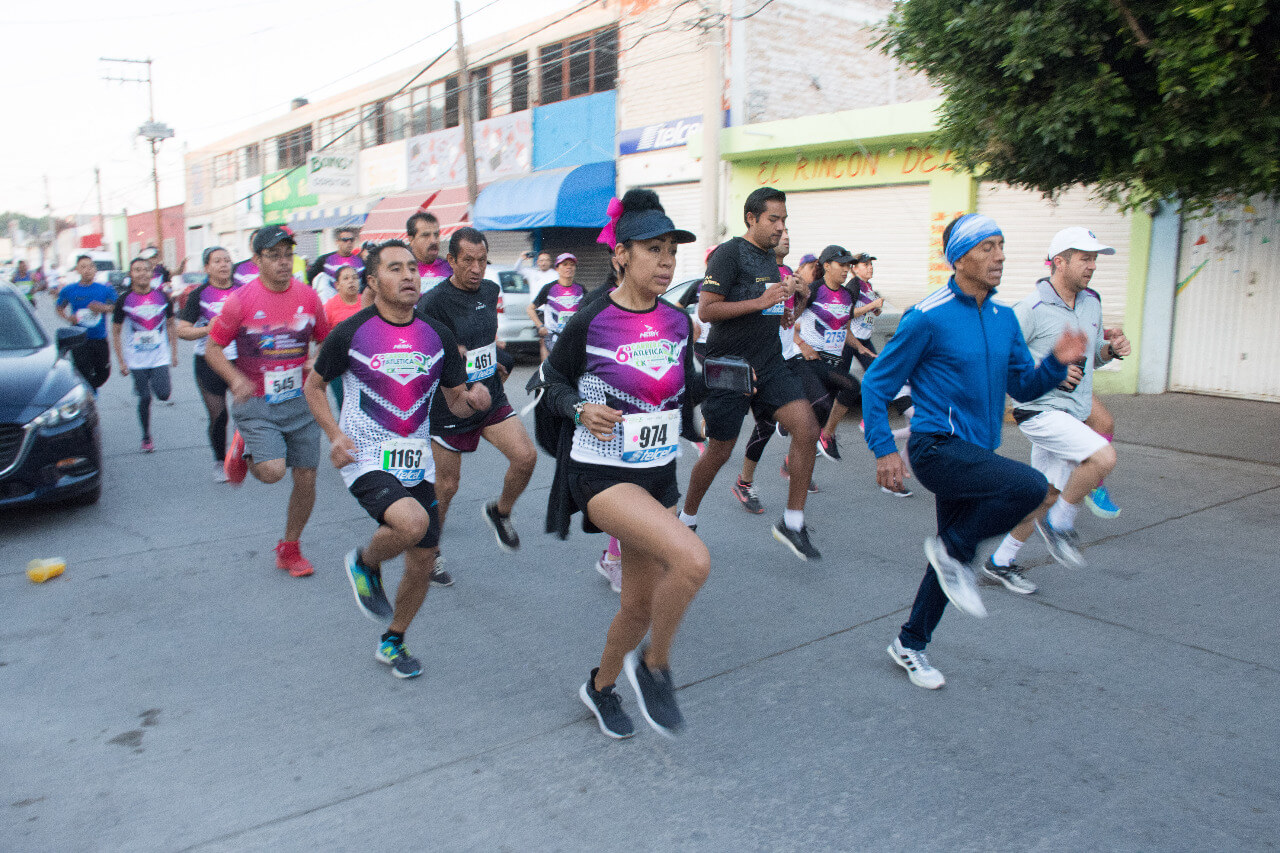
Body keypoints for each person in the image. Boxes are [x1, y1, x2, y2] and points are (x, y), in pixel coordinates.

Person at [862, 213, 1085, 689]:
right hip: (937, 448)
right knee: (1030, 487)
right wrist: (884, 449)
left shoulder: (1004, 318)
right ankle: (954, 553)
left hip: (975, 453)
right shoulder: (927, 316)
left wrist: (1055, 364)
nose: (1000, 256)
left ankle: (909, 643)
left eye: (1001, 246)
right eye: (987, 247)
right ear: (960, 257)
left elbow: (1023, 384)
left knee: (952, 562)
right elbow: (877, 384)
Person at [542, 189, 707, 738]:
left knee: (636, 606)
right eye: (653, 249)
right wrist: (579, 408)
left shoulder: (678, 322)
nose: (665, 262)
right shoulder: (591, 319)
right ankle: (654, 668)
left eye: (672, 252)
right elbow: (552, 382)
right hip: (600, 473)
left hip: (656, 472)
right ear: (621, 255)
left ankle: (600, 686)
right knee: (693, 560)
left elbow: (682, 387)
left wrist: (701, 415)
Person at [304, 240, 491, 679]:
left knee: (423, 560)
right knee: (412, 524)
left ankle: (394, 640)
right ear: (373, 281)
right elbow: (313, 386)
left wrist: (475, 400)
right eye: (395, 268)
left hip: (415, 460)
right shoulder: (351, 332)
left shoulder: (437, 335)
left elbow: (455, 403)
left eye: (412, 267)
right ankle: (365, 563)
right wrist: (334, 434)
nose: (408, 275)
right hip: (365, 455)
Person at [984, 227, 1130, 592]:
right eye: (1085, 258)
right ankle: (1061, 524)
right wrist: (1049, 372)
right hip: (1038, 410)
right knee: (1102, 458)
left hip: (1072, 413)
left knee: (1045, 493)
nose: (1092, 266)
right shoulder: (1029, 309)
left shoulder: (1092, 302)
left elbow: (1091, 356)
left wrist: (1110, 350)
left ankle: (1000, 561)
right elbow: (998, 360)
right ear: (1059, 262)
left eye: (1095, 258)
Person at [681, 188, 821, 559]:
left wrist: (793, 303)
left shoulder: (771, 261)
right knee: (719, 452)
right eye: (773, 219)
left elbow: (776, 316)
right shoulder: (729, 254)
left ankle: (792, 523)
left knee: (807, 428)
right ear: (751, 218)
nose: (780, 227)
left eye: (784, 220)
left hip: (770, 364)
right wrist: (761, 300)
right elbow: (707, 311)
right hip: (730, 367)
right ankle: (686, 519)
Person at [205, 226, 331, 578]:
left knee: (306, 478)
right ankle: (244, 448)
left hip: (301, 403)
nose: (283, 262)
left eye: (287, 254)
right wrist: (235, 379)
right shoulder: (240, 301)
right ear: (257, 259)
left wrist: (317, 360)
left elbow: (326, 340)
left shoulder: (309, 297)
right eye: (274, 255)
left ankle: (289, 548)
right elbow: (212, 348)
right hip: (258, 404)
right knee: (274, 472)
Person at [416, 227, 537, 566]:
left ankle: (500, 512)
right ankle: (430, 552)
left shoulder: (490, 288)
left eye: (482, 261)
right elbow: (425, 359)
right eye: (467, 261)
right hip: (450, 405)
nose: (475, 268)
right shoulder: (433, 303)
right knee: (447, 486)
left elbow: (487, 337)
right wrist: (456, 361)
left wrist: (497, 359)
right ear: (451, 260)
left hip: (491, 396)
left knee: (526, 457)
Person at [176, 247, 241, 480]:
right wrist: (207, 329)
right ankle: (219, 461)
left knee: (245, 411)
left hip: (239, 359)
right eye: (217, 261)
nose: (224, 265)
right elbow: (182, 331)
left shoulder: (242, 291)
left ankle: (242, 454)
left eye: (227, 260)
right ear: (207, 268)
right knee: (219, 415)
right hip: (208, 360)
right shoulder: (199, 295)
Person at [791, 246, 860, 462]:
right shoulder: (813, 290)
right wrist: (802, 344)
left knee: (813, 420)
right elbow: (787, 322)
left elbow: (844, 329)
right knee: (851, 387)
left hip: (835, 361)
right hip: (812, 360)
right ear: (827, 265)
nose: (846, 270)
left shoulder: (848, 295)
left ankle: (790, 463)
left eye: (849, 266)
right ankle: (826, 434)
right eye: (842, 265)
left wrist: (860, 347)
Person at [111, 257, 179, 452]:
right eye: (137, 270)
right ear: (131, 274)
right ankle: (146, 437)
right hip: (136, 359)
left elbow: (170, 325)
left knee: (164, 394)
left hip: (159, 356)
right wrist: (121, 362)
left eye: (145, 270)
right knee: (145, 398)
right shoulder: (124, 299)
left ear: (152, 273)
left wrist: (173, 353)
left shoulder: (162, 297)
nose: (142, 273)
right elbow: (116, 332)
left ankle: (145, 387)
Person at [55, 255, 116, 392]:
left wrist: (103, 308)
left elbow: (116, 307)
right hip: (79, 339)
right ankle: (89, 394)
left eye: (90, 266)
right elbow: (59, 307)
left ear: (95, 269)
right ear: (77, 270)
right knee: (84, 372)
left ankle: (90, 389)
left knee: (103, 372)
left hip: (99, 338)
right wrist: (68, 318)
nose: (87, 270)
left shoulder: (104, 289)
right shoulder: (69, 290)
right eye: (83, 267)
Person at [526, 252, 586, 361]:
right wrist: (540, 326)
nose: (569, 267)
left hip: (573, 336)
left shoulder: (580, 289)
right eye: (565, 264)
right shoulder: (549, 288)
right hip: (554, 336)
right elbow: (530, 309)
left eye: (572, 265)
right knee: (559, 364)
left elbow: (589, 310)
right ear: (557, 269)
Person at [306, 226, 364, 292]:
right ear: (337, 242)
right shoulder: (324, 260)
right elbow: (309, 279)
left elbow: (366, 284)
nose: (349, 242)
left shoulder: (361, 262)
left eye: (351, 240)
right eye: (345, 240)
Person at [407, 211, 452, 292]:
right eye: (426, 235)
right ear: (411, 240)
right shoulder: (403, 271)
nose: (433, 241)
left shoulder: (450, 268)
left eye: (436, 235)